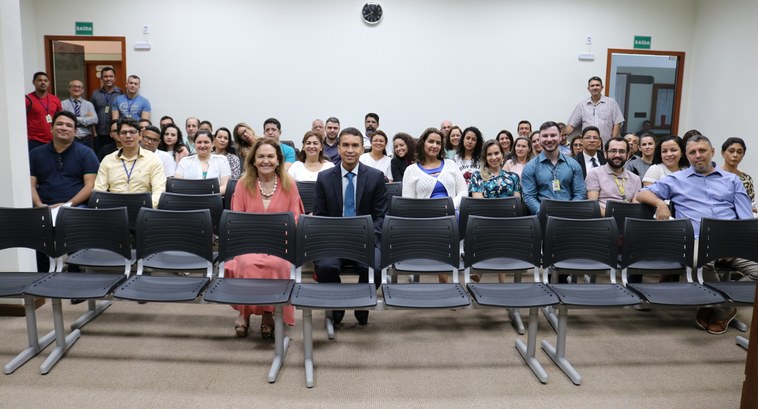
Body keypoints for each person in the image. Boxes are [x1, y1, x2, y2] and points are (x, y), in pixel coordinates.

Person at [635, 135, 758, 335]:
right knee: (698, 261)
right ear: (687, 156)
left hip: (731, 240)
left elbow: (744, 218)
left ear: (712, 152)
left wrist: (735, 244)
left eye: (702, 151)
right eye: (692, 152)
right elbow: (642, 193)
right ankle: (724, 309)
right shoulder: (676, 179)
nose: (698, 155)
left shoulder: (732, 180)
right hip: (699, 242)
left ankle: (713, 301)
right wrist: (659, 204)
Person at [226, 138, 304, 338]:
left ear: (278, 160)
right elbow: (237, 218)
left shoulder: (290, 184)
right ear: (253, 160)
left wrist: (276, 239)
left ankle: (269, 313)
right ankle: (245, 313)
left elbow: (295, 218)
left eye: (270, 156)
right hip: (248, 243)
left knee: (277, 264)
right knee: (246, 263)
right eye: (261, 156)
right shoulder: (243, 184)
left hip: (280, 244)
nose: (266, 161)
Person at [312, 127, 387, 325]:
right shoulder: (325, 178)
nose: (350, 150)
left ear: (362, 149)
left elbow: (380, 217)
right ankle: (337, 305)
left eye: (355, 145)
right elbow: (319, 216)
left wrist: (369, 238)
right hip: (333, 240)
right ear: (338, 148)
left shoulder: (376, 177)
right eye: (345, 145)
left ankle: (361, 303)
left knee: (376, 269)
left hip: (366, 239)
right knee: (325, 267)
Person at [402, 127, 466, 283]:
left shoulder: (450, 164)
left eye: (438, 142)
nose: (434, 145)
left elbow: (463, 191)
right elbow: (408, 201)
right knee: (440, 226)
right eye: (431, 141)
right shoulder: (411, 170)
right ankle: (445, 278)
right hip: (424, 216)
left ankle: (444, 277)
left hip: (452, 212)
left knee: (449, 222)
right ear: (423, 143)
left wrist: (448, 205)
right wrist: (431, 209)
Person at [30, 111, 99, 208]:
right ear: (51, 128)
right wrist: (39, 204)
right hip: (43, 206)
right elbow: (30, 184)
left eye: (69, 125)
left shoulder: (86, 153)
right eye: (59, 124)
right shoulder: (35, 153)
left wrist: (68, 205)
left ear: (75, 132)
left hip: (76, 206)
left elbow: (90, 185)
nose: (63, 128)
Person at [94, 118, 166, 208]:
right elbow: (99, 191)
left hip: (143, 209)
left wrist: (147, 207)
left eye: (132, 132)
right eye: (124, 133)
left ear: (140, 135)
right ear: (119, 136)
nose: (128, 136)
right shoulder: (108, 160)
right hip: (114, 210)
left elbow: (159, 191)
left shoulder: (152, 159)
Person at [521, 121, 586, 215]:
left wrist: (571, 212)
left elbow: (580, 193)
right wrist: (543, 214)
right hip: (542, 218)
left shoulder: (573, 164)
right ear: (539, 139)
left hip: (570, 216)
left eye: (553, 135)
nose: (549, 139)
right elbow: (529, 197)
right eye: (545, 136)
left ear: (560, 137)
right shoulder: (530, 167)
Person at [585, 137, 641, 215]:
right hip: (602, 221)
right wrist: (616, 218)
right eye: (613, 151)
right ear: (605, 153)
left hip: (627, 222)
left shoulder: (636, 179)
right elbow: (593, 205)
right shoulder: (595, 173)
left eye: (622, 151)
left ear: (627, 155)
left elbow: (636, 208)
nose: (617, 155)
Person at [564, 76, 625, 142]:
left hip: (605, 144)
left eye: (597, 85)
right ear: (588, 88)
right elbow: (572, 125)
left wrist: (613, 142)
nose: (595, 87)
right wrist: (561, 135)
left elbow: (617, 123)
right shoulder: (582, 105)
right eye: (592, 86)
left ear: (602, 88)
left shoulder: (611, 103)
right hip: (587, 145)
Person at [175, 130, 232, 195]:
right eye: (199, 142)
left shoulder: (222, 160)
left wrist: (206, 194)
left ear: (213, 144)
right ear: (194, 144)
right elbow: (176, 186)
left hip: (213, 200)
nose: (202, 145)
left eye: (206, 142)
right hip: (188, 200)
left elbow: (225, 187)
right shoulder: (184, 161)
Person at [26, 71, 62, 151]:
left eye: (45, 80)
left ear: (48, 83)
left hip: (52, 140)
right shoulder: (27, 99)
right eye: (40, 80)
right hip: (34, 141)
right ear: (33, 82)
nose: (43, 82)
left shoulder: (55, 99)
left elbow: (59, 118)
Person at [90, 66, 122, 153]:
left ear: (115, 78)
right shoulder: (95, 94)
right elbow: (91, 114)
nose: (108, 79)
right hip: (100, 134)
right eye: (106, 76)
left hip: (116, 134)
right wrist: (94, 133)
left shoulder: (121, 93)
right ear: (102, 78)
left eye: (111, 76)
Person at [58, 80, 97, 150]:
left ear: (82, 90)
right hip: (70, 138)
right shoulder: (63, 104)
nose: (77, 89)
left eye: (79, 87)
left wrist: (73, 118)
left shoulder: (88, 104)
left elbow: (95, 120)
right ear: (69, 89)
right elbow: (64, 120)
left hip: (86, 138)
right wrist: (85, 119)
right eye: (74, 87)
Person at [721, 137, 755, 205]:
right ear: (723, 153)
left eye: (739, 152)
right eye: (731, 151)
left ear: (743, 155)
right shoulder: (715, 175)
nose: (735, 155)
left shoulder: (746, 179)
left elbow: (751, 202)